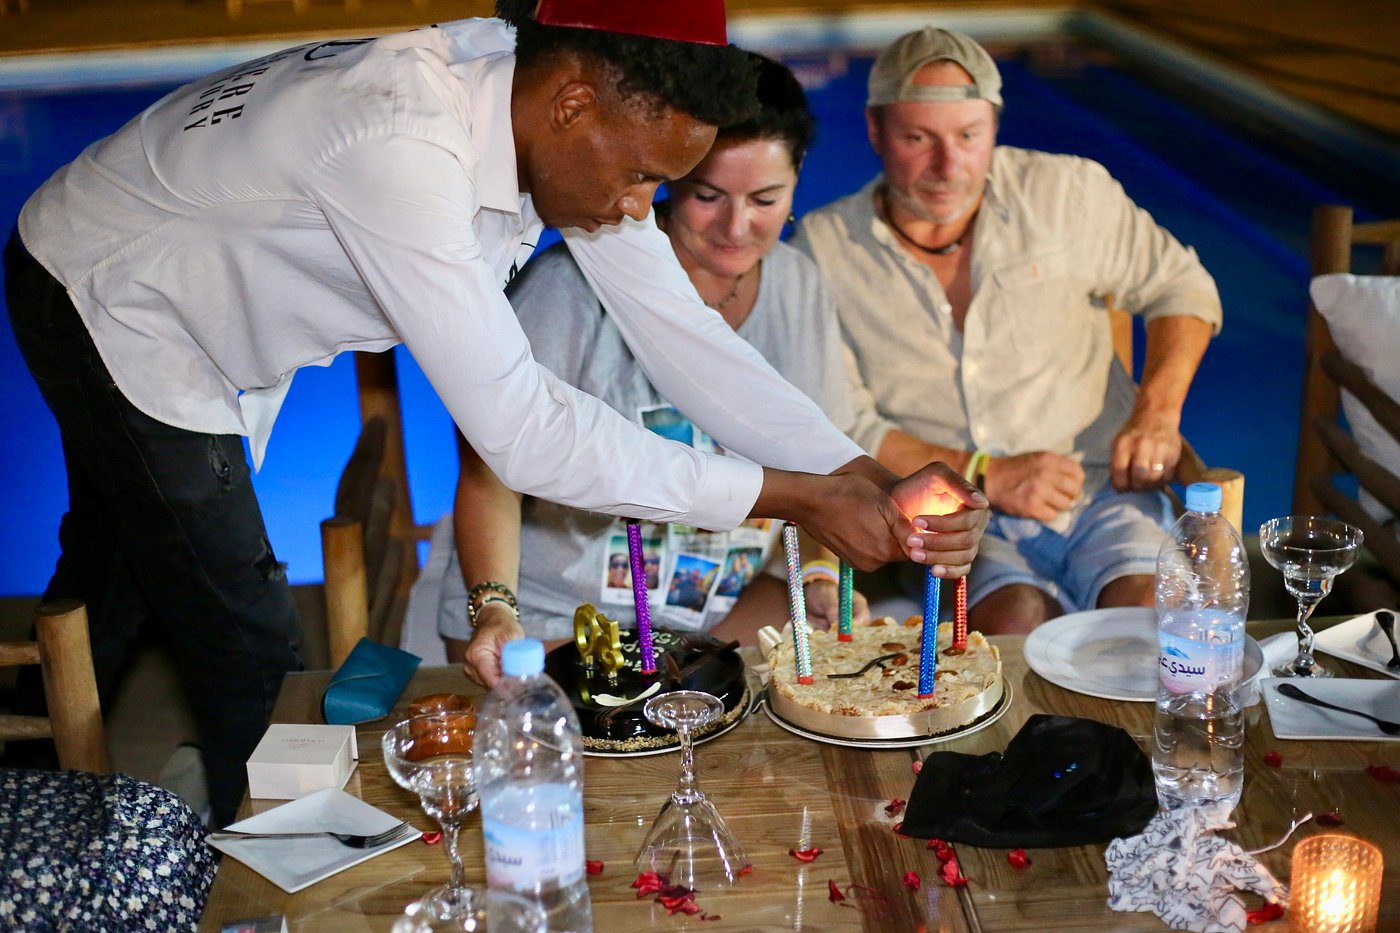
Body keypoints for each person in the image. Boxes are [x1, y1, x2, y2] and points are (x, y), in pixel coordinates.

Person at [3, 4, 985, 824]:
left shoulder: (548, 106)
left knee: (126, 557)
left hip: (163, 265)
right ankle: (247, 863)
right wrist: (795, 497)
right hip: (111, 296)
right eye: (644, 177)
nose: (640, 206)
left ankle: (33, 762)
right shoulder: (402, 146)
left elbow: (689, 342)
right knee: (248, 642)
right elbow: (523, 431)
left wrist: (861, 475)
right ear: (573, 106)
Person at [441, 56, 911, 684]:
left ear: (798, 178)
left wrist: (822, 574)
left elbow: (823, 468)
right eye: (708, 196)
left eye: (765, 198)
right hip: (561, 617)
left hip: (710, 615)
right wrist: (496, 606)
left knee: (837, 676)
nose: (735, 227)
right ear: (668, 171)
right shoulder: (566, 287)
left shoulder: (799, 285)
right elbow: (488, 473)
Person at [793, 27, 1222, 635]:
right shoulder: (824, 249)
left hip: (1098, 491)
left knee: (1149, 617)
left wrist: (1157, 412)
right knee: (1015, 624)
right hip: (949, 515)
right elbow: (843, 422)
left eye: (968, 137)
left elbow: (1182, 287)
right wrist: (985, 472)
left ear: (994, 126)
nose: (948, 167)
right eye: (918, 138)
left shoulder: (1067, 194)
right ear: (875, 131)